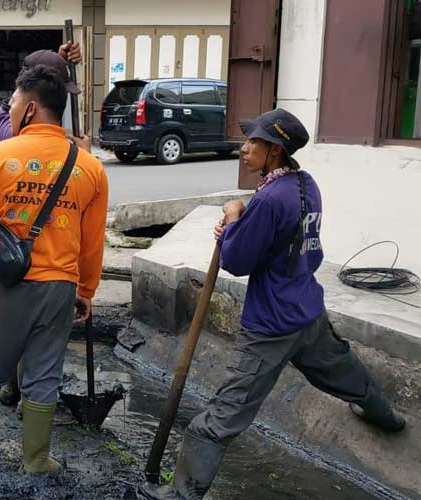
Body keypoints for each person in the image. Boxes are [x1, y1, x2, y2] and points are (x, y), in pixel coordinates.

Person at [137, 109, 406, 499]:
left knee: (223, 415)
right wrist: (244, 217)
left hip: (270, 324)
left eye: (253, 143)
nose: (244, 149)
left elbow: (236, 261)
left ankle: (179, 493)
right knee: (341, 370)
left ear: (275, 151)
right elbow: (280, 229)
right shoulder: (305, 184)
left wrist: (231, 222)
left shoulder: (267, 201)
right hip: (307, 309)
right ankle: (388, 417)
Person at [0, 65, 109, 474]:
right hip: (60, 286)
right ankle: (36, 459)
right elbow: (92, 242)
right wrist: (87, 292)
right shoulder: (90, 167)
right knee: (44, 372)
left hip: (7, 282)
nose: (8, 109)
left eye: (12, 103)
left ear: (30, 108)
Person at [0, 41, 85, 408]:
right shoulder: (8, 131)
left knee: (23, 333)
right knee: (28, 337)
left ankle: (20, 390)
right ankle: (22, 389)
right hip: (27, 256)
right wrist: (79, 154)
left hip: (32, 255)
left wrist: (60, 59)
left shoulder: (25, 113)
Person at [0, 42, 82, 144]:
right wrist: (83, 154)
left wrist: (58, 61)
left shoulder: (18, 113)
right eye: (54, 91)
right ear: (31, 109)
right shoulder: (11, 131)